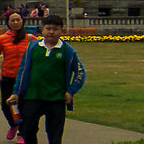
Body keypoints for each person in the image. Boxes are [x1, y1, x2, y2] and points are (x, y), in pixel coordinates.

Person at [5, 16, 86, 144]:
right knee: (28, 130)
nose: (51, 32)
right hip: (32, 97)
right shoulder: (33, 48)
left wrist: (71, 91)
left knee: (55, 134)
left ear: (62, 31)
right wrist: (16, 92)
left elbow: (80, 72)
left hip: (56, 99)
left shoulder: (68, 51)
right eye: (48, 28)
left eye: (55, 29)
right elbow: (22, 70)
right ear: (42, 30)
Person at [0, 11, 32, 141]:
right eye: (13, 20)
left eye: (18, 20)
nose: (16, 22)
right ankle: (13, 125)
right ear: (8, 23)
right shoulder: (3, 39)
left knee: (24, 106)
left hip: (24, 78)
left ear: (22, 21)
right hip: (8, 77)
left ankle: (22, 133)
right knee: (6, 106)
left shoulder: (30, 38)